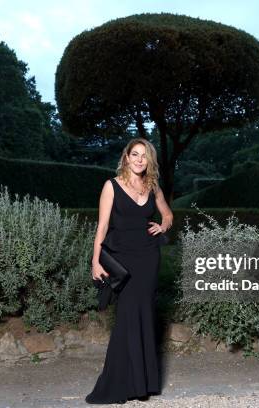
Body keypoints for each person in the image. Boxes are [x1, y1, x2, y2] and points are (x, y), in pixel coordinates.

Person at [85, 138, 173, 404]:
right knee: (125, 317)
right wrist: (95, 261)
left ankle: (142, 385)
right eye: (134, 154)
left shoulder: (152, 185)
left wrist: (162, 226)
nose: (138, 159)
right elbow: (101, 227)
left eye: (144, 156)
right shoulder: (111, 186)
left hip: (148, 258)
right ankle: (119, 384)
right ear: (126, 157)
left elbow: (168, 215)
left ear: (149, 161)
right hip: (123, 261)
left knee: (144, 315)